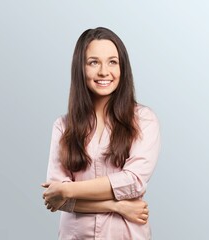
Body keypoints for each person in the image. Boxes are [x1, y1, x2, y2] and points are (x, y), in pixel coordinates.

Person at [42, 27, 160, 240]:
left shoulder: (143, 120)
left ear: (123, 67)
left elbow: (133, 181)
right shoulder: (63, 126)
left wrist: (69, 190)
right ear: (80, 68)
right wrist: (118, 206)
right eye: (93, 62)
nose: (104, 71)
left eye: (112, 62)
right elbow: (56, 197)